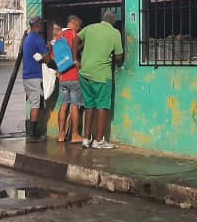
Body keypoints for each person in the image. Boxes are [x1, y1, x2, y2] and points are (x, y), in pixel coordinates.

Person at [77, 11, 124, 150]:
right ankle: (99, 140)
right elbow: (119, 57)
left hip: (85, 73)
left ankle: (86, 139)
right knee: (102, 107)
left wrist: (76, 59)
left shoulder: (90, 28)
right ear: (114, 22)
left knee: (89, 106)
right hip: (102, 76)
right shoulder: (115, 33)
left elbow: (75, 40)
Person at [56, 16, 86, 144]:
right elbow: (74, 50)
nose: (79, 29)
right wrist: (84, 43)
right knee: (74, 105)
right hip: (73, 75)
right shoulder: (73, 34)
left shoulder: (59, 36)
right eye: (79, 26)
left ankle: (61, 135)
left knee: (64, 105)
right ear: (74, 23)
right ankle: (74, 134)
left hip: (62, 76)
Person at [22, 17, 50, 143]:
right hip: (34, 76)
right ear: (38, 26)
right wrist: (48, 48)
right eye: (42, 25)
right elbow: (47, 59)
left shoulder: (27, 38)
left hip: (27, 76)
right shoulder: (38, 39)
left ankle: (33, 131)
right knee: (35, 104)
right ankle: (32, 134)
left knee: (34, 102)